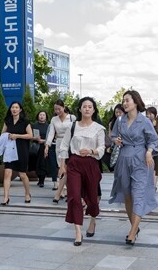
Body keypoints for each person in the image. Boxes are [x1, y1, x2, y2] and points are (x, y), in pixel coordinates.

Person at [108, 90, 158, 246]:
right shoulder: (120, 120)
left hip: (141, 160)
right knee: (128, 194)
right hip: (123, 159)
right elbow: (113, 135)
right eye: (123, 101)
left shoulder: (144, 121)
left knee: (138, 194)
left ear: (136, 102)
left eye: (127, 100)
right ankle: (135, 228)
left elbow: (153, 139)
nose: (124, 103)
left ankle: (131, 233)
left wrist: (149, 152)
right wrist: (115, 140)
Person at [58, 97, 105, 246]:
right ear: (79, 109)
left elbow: (102, 148)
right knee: (74, 196)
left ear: (94, 110)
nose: (87, 109)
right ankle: (78, 232)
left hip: (91, 163)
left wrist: (92, 150)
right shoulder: (72, 126)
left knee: (92, 196)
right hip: (74, 164)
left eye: (90, 107)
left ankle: (92, 220)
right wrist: (62, 165)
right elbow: (64, 146)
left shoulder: (99, 128)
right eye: (84, 106)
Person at [0, 101, 33, 205]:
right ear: (10, 109)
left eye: (16, 107)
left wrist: (17, 136)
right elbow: (2, 134)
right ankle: (6, 198)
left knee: (22, 174)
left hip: (22, 149)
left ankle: (27, 193)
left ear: (20, 110)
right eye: (12, 107)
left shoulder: (25, 122)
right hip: (9, 150)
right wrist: (7, 136)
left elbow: (30, 135)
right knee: (7, 173)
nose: (14, 109)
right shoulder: (7, 121)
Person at [45, 100, 76, 203]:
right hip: (59, 143)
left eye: (59, 109)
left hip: (71, 144)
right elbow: (51, 133)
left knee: (68, 168)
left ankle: (63, 191)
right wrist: (47, 145)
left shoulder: (72, 118)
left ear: (64, 107)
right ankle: (64, 191)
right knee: (62, 168)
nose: (57, 111)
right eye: (55, 109)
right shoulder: (54, 119)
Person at [30, 111, 49, 187]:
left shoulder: (49, 126)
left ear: (46, 117)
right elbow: (30, 136)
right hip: (36, 147)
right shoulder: (33, 125)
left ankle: (42, 181)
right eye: (40, 115)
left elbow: (52, 136)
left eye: (43, 115)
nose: (42, 116)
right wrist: (36, 138)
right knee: (35, 163)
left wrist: (44, 141)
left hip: (45, 147)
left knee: (43, 163)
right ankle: (39, 177)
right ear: (38, 116)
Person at [145, 106, 158, 191]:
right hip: (147, 149)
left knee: (155, 168)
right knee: (148, 168)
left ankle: (153, 185)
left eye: (150, 113)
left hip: (156, 149)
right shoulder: (145, 123)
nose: (148, 115)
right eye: (147, 114)